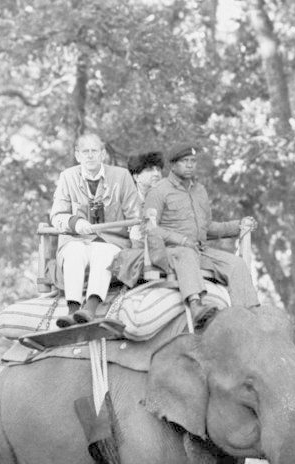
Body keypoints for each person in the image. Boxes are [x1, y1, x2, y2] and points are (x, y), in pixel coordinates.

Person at [142, 143, 259, 321]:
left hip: (199, 250)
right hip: (170, 251)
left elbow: (207, 227)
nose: (190, 165)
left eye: (193, 161)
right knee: (186, 253)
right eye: (184, 161)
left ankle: (249, 314)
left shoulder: (199, 191)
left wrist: (239, 226)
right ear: (173, 165)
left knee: (236, 264)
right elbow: (150, 229)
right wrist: (181, 240)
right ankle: (195, 304)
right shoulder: (159, 191)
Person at [49, 133, 140, 328]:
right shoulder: (67, 177)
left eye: (94, 151)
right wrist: (75, 223)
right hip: (77, 241)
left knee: (103, 251)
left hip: (112, 243)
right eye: (85, 151)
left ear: (103, 154)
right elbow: (57, 216)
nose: (90, 156)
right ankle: (72, 310)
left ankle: (90, 309)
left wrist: (136, 245)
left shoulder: (121, 176)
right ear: (77, 155)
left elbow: (135, 216)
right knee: (74, 251)